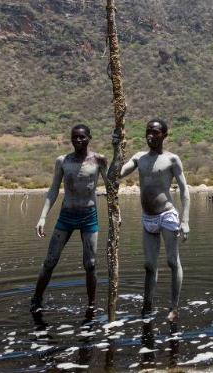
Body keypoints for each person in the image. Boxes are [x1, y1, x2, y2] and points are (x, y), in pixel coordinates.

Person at [114, 118, 190, 321]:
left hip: (167, 215)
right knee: (149, 266)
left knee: (172, 262)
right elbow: (117, 174)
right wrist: (116, 149)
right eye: (148, 131)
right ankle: (147, 306)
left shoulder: (172, 159)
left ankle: (174, 308)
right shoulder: (140, 158)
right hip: (148, 218)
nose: (151, 135)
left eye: (155, 132)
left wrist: (185, 220)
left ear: (164, 135)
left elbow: (184, 190)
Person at [31, 124, 108, 314]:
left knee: (90, 264)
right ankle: (36, 299)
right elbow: (54, 189)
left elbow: (111, 186)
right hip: (66, 215)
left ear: (89, 137)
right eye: (75, 137)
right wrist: (42, 217)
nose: (78, 140)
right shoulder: (63, 161)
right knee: (50, 261)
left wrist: (116, 213)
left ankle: (91, 305)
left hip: (89, 216)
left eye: (82, 137)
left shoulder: (98, 160)